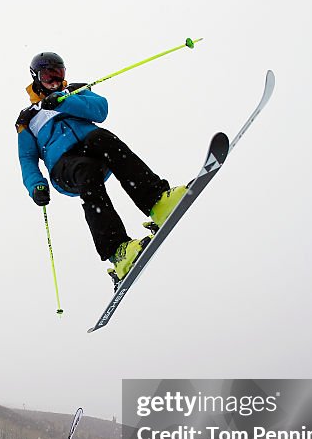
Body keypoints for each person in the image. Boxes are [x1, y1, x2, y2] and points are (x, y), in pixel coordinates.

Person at [16, 52, 187, 284]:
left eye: (59, 73)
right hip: (63, 167)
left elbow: (100, 111)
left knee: (102, 138)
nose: (55, 80)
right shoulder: (27, 118)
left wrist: (64, 100)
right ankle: (118, 250)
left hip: (94, 150)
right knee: (84, 170)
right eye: (48, 75)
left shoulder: (74, 91)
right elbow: (27, 157)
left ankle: (156, 201)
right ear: (36, 77)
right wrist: (36, 185)